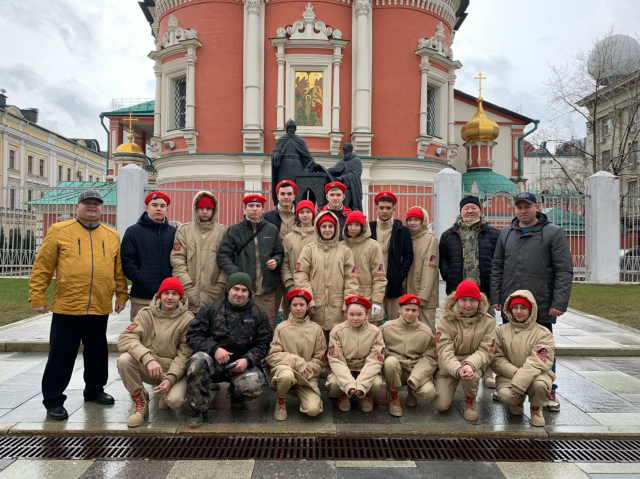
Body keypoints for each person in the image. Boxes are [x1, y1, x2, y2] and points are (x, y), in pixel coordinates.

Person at [29, 189, 128, 420]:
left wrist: (121, 296)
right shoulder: (59, 231)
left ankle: (94, 390)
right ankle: (53, 399)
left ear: (102, 208)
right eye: (87, 203)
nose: (92, 206)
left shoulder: (111, 235)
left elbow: (118, 271)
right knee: (61, 354)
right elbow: (42, 267)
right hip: (68, 305)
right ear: (78, 206)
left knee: (97, 352)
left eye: (96, 203)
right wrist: (37, 297)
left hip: (99, 304)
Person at [491, 191, 573, 412]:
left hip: (541, 303)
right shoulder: (506, 233)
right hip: (511, 303)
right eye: (519, 207)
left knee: (544, 349)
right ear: (514, 209)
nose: (523, 211)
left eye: (527, 206)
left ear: (537, 207)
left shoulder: (553, 233)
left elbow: (564, 270)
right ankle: (510, 386)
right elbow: (497, 266)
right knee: (509, 347)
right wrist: (497, 297)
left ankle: (549, 389)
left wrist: (560, 302)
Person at [185, 272, 273, 428]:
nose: (239, 294)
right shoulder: (211, 309)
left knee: (255, 385)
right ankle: (198, 409)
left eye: (244, 290)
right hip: (214, 362)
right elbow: (193, 336)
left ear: (249, 293)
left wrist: (248, 360)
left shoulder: (258, 315)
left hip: (241, 365)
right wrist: (214, 349)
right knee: (197, 361)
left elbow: (264, 343)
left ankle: (237, 394)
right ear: (228, 290)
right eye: (236, 289)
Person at [117, 278, 193, 427]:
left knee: (174, 402)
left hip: (174, 372)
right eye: (166, 293)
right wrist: (148, 359)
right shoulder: (146, 314)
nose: (170, 297)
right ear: (159, 296)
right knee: (124, 360)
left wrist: (170, 379)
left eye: (174, 294)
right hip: (151, 368)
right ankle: (140, 399)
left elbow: (185, 354)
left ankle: (166, 392)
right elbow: (126, 337)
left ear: (181, 298)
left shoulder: (188, 320)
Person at [217, 194, 284, 329]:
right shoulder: (235, 230)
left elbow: (279, 252)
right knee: (242, 329)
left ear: (263, 209)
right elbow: (223, 256)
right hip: (243, 292)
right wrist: (237, 274)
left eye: (258, 206)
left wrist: (276, 260)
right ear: (244, 208)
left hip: (266, 291)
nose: (255, 209)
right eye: (251, 206)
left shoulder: (271, 229)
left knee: (266, 329)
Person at [432, 280, 496, 421]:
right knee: (440, 405)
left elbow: (486, 350)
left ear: (479, 302)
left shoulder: (488, 321)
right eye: (464, 300)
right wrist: (457, 369)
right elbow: (444, 351)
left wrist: (469, 365)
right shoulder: (445, 320)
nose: (468, 305)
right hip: (449, 365)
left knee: (470, 376)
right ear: (456, 301)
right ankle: (443, 383)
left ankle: (470, 399)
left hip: (473, 364)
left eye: (473, 300)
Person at [491, 290, 555, 427]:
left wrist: (520, 381)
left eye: (523, 308)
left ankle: (536, 408)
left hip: (536, 376)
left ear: (531, 309)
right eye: (515, 307)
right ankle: (517, 402)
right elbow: (495, 357)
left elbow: (538, 361)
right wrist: (514, 374)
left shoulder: (543, 333)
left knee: (539, 386)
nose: (518, 311)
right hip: (509, 375)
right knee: (506, 394)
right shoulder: (500, 331)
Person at [264, 289, 327, 421]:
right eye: (294, 305)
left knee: (313, 410)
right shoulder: (281, 328)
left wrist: (309, 368)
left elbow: (321, 358)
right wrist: (299, 363)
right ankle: (281, 400)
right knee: (287, 376)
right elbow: (273, 355)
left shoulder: (316, 329)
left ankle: (302, 393)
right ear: (289, 307)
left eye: (302, 305)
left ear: (307, 307)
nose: (298, 308)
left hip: (307, 376)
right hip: (286, 371)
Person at [294, 211, 358, 338]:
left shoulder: (345, 251)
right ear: (318, 228)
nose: (327, 230)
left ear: (336, 228)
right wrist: (308, 300)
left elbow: (351, 279)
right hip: (315, 307)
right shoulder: (309, 250)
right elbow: (301, 276)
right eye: (324, 226)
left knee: (337, 342)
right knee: (317, 343)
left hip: (338, 307)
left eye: (330, 226)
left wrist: (349, 303)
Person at [121, 191, 177, 321]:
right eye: (154, 205)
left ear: (167, 210)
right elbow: (127, 261)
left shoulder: (174, 233)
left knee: (166, 337)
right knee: (140, 334)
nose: (158, 208)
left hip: (168, 297)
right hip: (142, 297)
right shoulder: (133, 231)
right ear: (147, 208)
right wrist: (141, 277)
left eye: (162, 206)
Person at [380, 294, 438, 417]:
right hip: (396, 370)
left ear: (419, 312)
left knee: (429, 393)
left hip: (415, 370)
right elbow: (378, 348)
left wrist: (416, 378)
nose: (410, 313)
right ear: (399, 309)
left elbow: (430, 358)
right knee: (390, 362)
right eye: (407, 309)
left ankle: (412, 392)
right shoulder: (387, 327)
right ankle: (394, 396)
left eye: (414, 310)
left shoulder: (426, 332)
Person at [170, 191, 228, 313]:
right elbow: (177, 259)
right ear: (195, 209)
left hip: (214, 293)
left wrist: (221, 284)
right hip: (190, 292)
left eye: (208, 208)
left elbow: (228, 260)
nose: (205, 212)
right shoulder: (184, 231)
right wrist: (185, 283)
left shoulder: (223, 232)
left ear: (214, 210)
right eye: (201, 208)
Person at [326, 296, 385, 413]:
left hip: (365, 367)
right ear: (345, 314)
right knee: (333, 383)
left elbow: (375, 359)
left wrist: (362, 384)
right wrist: (348, 384)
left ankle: (367, 395)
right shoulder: (337, 331)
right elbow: (336, 359)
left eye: (359, 314)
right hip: (346, 366)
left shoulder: (375, 332)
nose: (355, 318)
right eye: (351, 314)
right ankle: (344, 394)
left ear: (367, 315)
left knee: (377, 383)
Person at [369, 192, 414, 322]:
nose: (385, 211)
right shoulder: (368, 228)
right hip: (373, 283)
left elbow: (408, 256)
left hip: (393, 283)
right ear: (376, 208)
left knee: (394, 322)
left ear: (393, 209)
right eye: (381, 208)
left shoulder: (402, 230)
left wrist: (400, 274)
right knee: (373, 321)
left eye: (388, 208)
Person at [342, 211, 387, 323]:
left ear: (362, 226)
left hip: (368, 299)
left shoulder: (373, 246)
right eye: (350, 225)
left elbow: (379, 277)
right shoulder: (341, 246)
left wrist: (377, 301)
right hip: (347, 299)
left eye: (357, 225)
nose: (353, 228)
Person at [264, 180, 298, 323]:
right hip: (275, 270)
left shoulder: (302, 215)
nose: (286, 197)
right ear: (277, 196)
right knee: (271, 310)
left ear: (294, 196)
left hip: (295, 269)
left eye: (289, 194)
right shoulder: (268, 217)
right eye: (282, 194)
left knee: (292, 310)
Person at [404, 207, 439, 333]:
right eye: (410, 220)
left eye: (416, 220)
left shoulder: (430, 239)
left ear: (422, 221)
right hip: (407, 292)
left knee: (427, 329)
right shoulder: (405, 237)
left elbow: (430, 269)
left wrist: (423, 296)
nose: (412, 223)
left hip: (426, 296)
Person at [281, 200, 317, 320]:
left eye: (308, 212)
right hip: (293, 288)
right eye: (301, 212)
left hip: (315, 289)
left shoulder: (319, 236)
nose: (305, 215)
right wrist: (290, 285)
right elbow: (285, 263)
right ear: (297, 215)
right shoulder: (289, 238)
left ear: (313, 214)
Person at [271, 119, 316, 203]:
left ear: (295, 129)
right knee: (284, 186)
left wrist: (309, 166)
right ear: (286, 129)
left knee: (297, 188)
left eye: (293, 128)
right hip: (284, 168)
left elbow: (307, 156)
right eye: (289, 128)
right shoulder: (281, 140)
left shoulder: (300, 141)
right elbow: (275, 152)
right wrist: (276, 156)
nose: (291, 130)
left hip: (297, 167)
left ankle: (297, 205)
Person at [327, 143, 363, 212]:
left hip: (352, 188)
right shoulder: (343, 161)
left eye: (345, 149)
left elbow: (356, 175)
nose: (343, 151)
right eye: (343, 149)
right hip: (341, 189)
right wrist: (324, 170)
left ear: (350, 149)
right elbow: (334, 169)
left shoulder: (356, 160)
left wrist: (342, 178)